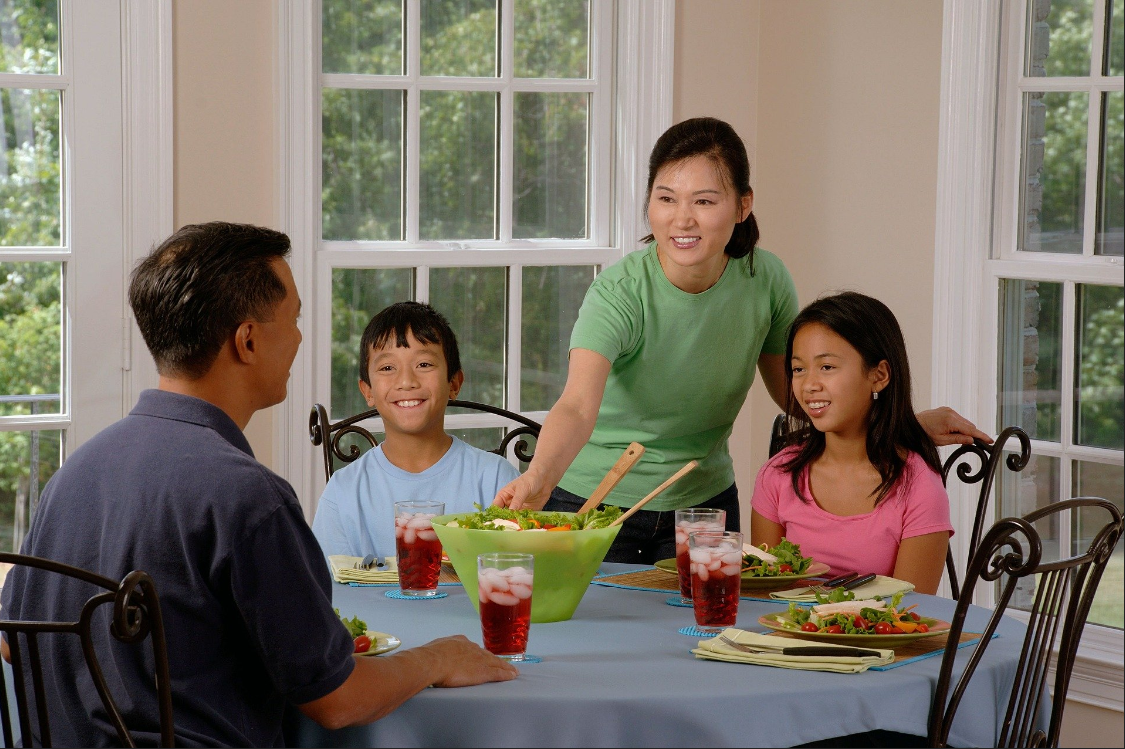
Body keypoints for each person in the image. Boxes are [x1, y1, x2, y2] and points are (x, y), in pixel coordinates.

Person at [0, 222, 516, 747]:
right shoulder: (246, 497)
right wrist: (439, 656)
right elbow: (340, 700)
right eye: (293, 319)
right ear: (247, 340)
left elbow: (13, 644)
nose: (297, 337)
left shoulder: (72, 477)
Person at [493, 116, 987, 565]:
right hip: (593, 500)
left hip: (703, 506)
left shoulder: (765, 279)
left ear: (743, 205)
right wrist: (539, 480)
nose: (682, 219)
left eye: (704, 201)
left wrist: (901, 421)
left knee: (709, 645)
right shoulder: (619, 294)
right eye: (666, 198)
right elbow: (578, 407)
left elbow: (799, 393)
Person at [750, 292, 953, 594]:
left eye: (827, 367)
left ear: (879, 376)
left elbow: (911, 613)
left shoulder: (918, 488)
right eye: (798, 369)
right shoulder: (778, 475)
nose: (809, 385)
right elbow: (762, 594)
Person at [312, 301, 519, 559]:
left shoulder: (496, 480)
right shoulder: (344, 492)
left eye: (424, 364)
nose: (407, 381)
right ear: (368, 391)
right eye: (387, 368)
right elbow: (328, 590)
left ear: (454, 383)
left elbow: (518, 573)